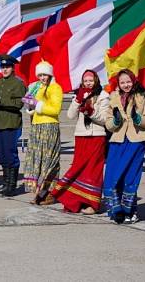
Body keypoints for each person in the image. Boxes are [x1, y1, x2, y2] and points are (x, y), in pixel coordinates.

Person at [51, 70, 109, 214]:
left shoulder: (103, 96)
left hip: (97, 136)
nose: (88, 83)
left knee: (93, 169)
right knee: (79, 168)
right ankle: (75, 200)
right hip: (81, 135)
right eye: (85, 80)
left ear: (96, 80)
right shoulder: (79, 94)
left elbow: (104, 119)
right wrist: (77, 101)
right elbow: (70, 115)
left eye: (91, 80)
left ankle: (92, 204)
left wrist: (91, 112)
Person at [102, 68, 145, 224]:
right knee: (112, 175)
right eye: (122, 82)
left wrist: (137, 118)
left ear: (134, 81)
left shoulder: (143, 96)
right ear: (118, 83)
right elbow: (108, 123)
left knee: (130, 176)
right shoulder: (114, 97)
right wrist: (116, 121)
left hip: (136, 141)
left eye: (128, 81)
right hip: (118, 140)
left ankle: (130, 210)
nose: (126, 85)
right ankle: (116, 209)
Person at [22, 61, 63, 205]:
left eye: (45, 74)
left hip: (49, 126)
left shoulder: (55, 88)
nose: (42, 78)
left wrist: (36, 104)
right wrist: (29, 102)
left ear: (50, 74)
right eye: (40, 75)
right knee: (37, 161)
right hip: (37, 126)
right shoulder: (38, 87)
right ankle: (40, 192)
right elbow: (30, 105)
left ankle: (49, 192)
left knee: (48, 161)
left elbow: (55, 109)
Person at [0, 55, 27, 196]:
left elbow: (18, 104)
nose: (4, 70)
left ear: (12, 68)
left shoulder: (18, 84)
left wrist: (0, 102)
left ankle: (11, 186)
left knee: (10, 153)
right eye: (2, 67)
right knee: (1, 154)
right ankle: (5, 183)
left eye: (7, 67)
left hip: (11, 122)